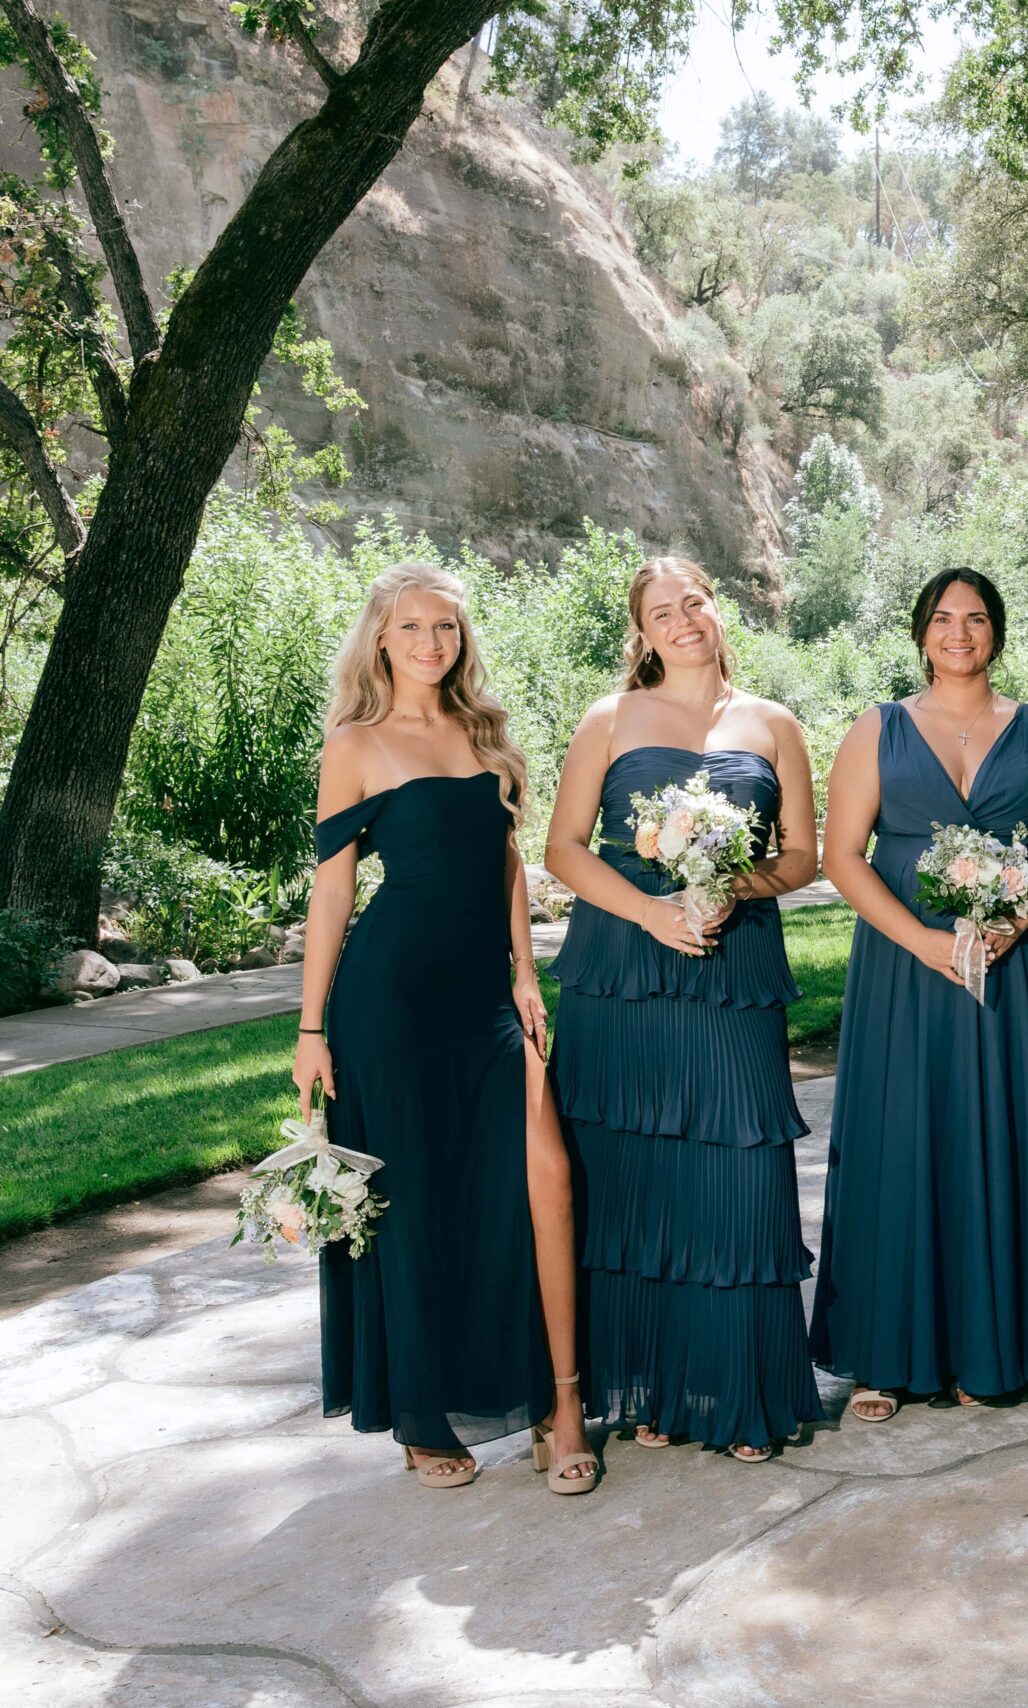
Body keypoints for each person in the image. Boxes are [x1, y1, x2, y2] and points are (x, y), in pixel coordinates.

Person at [296, 563, 593, 1493]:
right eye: (413, 627)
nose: (432, 643)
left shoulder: (483, 733)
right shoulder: (355, 744)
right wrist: (311, 1029)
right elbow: (333, 890)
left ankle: (557, 1401)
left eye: (447, 628)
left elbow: (505, 862)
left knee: (537, 1179)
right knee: (414, 1200)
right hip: (390, 1002)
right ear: (381, 638)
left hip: (483, 1000)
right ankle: (423, 1414)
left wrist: (525, 972)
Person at [545, 557, 824, 1461]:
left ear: (717, 609)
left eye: (693, 602)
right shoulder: (608, 718)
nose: (682, 620)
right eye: (661, 611)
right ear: (643, 630)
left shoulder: (773, 723)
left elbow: (803, 857)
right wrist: (652, 912)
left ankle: (744, 1395)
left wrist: (729, 885)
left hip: (734, 965)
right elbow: (563, 849)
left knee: (741, 1169)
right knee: (634, 1181)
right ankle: (656, 1391)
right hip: (623, 970)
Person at [810, 568, 1028, 1419]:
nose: (960, 633)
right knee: (902, 1137)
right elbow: (841, 858)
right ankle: (887, 1354)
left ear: (996, 632)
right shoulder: (879, 728)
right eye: (944, 619)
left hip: (1018, 967)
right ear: (921, 632)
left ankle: (998, 1347)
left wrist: (1020, 917)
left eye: (976, 618)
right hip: (906, 970)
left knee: (1010, 1135)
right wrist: (925, 942)